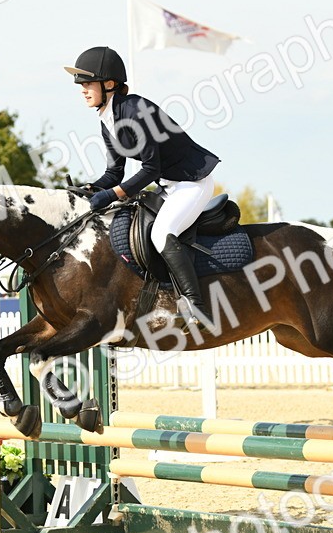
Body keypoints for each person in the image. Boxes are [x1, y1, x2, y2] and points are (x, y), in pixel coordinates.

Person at [66, 46, 220, 329]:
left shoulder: (136, 111)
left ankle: (196, 306)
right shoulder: (107, 119)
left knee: (162, 233)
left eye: (87, 84)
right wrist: (90, 188)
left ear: (108, 84)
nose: (83, 90)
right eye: (81, 85)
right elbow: (114, 172)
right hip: (169, 186)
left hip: (192, 182)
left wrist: (111, 195)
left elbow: (151, 169)